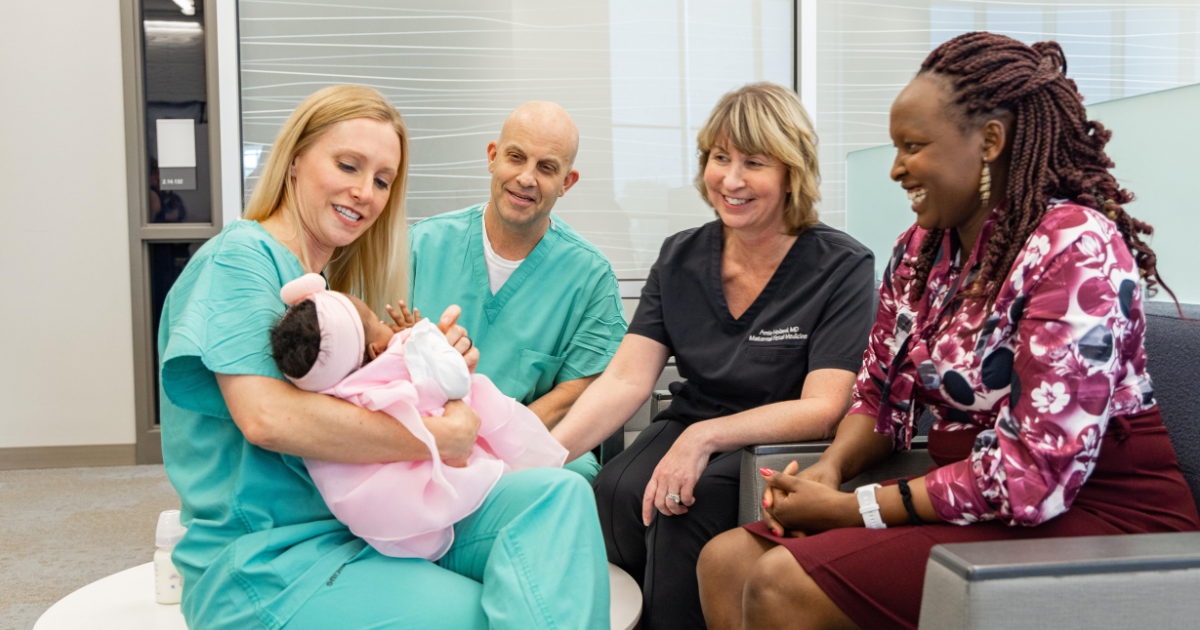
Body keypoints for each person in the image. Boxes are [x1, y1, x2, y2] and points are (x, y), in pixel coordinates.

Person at [697, 33, 1200, 630]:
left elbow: (1034, 480)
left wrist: (854, 509)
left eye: (913, 146)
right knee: (724, 560)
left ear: (989, 142)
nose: (895, 168)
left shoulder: (1076, 247)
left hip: (1098, 513)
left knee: (783, 584)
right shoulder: (921, 249)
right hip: (974, 502)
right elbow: (880, 391)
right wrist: (828, 474)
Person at [158, 84, 609, 630]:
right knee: (483, 617)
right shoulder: (239, 261)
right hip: (270, 563)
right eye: (347, 165)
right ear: (295, 158)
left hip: (361, 526)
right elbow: (268, 418)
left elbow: (367, 395)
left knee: (557, 496)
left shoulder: (329, 289)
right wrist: (437, 438)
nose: (363, 193)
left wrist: (434, 367)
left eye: (381, 180)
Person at [551, 82, 876, 630]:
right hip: (692, 416)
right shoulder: (681, 255)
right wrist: (540, 454)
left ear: (792, 172)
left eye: (754, 162)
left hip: (777, 436)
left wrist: (703, 438)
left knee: (683, 502)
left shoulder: (841, 265)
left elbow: (824, 406)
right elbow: (627, 380)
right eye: (720, 158)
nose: (731, 180)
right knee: (613, 491)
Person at [268, 273, 567, 561]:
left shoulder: (332, 396)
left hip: (387, 519)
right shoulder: (396, 366)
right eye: (379, 321)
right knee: (558, 493)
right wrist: (425, 340)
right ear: (375, 350)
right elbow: (452, 389)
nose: (388, 325)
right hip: (448, 486)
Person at [407, 101, 627, 483]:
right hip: (424, 438)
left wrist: (497, 440)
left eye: (546, 168)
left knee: (569, 483)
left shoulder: (590, 277)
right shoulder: (421, 246)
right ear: (493, 158)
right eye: (515, 157)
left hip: (529, 446)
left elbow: (586, 385)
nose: (526, 178)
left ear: (567, 183)